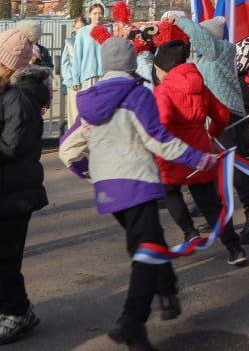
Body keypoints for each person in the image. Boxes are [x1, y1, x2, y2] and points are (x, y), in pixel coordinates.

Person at [58, 36, 216, 351]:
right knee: (147, 253)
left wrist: (88, 172)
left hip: (108, 188)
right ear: (132, 63)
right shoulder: (137, 95)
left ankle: (165, 299)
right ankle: (132, 320)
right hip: (137, 182)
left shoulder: (89, 101)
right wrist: (197, 158)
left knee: (148, 243)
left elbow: (67, 149)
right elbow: (156, 139)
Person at [0, 22, 51, 346]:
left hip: (14, 189)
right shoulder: (1, 92)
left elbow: (10, 146)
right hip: (1, 186)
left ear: (9, 65)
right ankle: (11, 309)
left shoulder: (18, 97)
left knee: (0, 255)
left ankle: (17, 313)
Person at [151, 36, 247, 266]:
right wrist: (212, 133)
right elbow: (222, 114)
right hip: (200, 152)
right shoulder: (200, 86)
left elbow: (161, 123)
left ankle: (189, 231)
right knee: (211, 204)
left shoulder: (163, 91)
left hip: (173, 153)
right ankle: (235, 248)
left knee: (169, 191)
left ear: (164, 69)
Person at [175, 14, 249, 244]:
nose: (195, 41)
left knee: (234, 167)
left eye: (200, 36)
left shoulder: (221, 49)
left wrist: (180, 20)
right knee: (214, 167)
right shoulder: (203, 57)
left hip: (227, 116)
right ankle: (215, 212)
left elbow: (200, 38)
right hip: (213, 118)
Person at [63, 0, 106, 125]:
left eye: (100, 13)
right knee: (86, 109)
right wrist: (76, 79)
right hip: (87, 75)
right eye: (95, 13)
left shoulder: (106, 31)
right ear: (90, 15)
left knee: (100, 109)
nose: (98, 15)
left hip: (103, 75)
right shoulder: (82, 32)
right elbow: (77, 57)